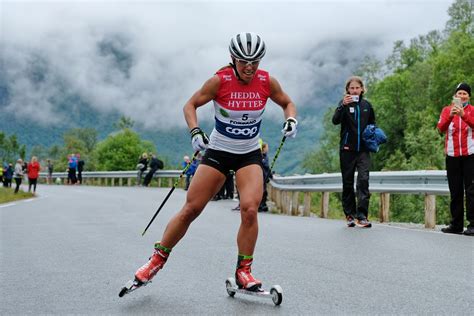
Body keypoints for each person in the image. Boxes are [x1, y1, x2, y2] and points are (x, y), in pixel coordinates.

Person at [133, 32, 297, 292]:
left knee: (250, 209)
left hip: (248, 154)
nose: (249, 67)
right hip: (218, 151)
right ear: (233, 58)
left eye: (255, 61)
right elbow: (190, 105)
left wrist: (291, 119)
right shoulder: (219, 81)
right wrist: (195, 132)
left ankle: (244, 271)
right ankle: (156, 260)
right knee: (191, 209)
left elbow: (287, 102)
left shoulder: (267, 82)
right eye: (244, 61)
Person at [332, 76, 375, 228]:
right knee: (348, 182)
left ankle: (362, 216)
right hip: (347, 150)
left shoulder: (367, 106)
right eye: (352, 88)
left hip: (363, 150)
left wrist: (374, 138)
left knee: (363, 181)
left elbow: (372, 125)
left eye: (357, 87)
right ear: (347, 90)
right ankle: (350, 215)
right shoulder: (343, 105)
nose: (355, 90)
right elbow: (335, 120)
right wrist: (342, 106)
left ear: (362, 89)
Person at [437, 82, 474, 236]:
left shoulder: (472, 111)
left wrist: (463, 115)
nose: (462, 96)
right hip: (452, 155)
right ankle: (456, 224)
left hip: (470, 155)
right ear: (455, 96)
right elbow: (440, 128)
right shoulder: (447, 110)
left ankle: (472, 224)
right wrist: (451, 116)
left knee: (471, 190)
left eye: (465, 93)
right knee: (455, 190)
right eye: (459, 93)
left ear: (469, 97)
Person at [259, 143, 271, 212]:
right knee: (262, 191)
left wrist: (270, 174)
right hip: (262, 176)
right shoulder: (261, 156)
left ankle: (263, 205)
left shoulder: (265, 156)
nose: (268, 149)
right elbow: (266, 166)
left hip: (265, 175)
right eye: (267, 147)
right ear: (263, 148)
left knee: (264, 191)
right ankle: (261, 205)